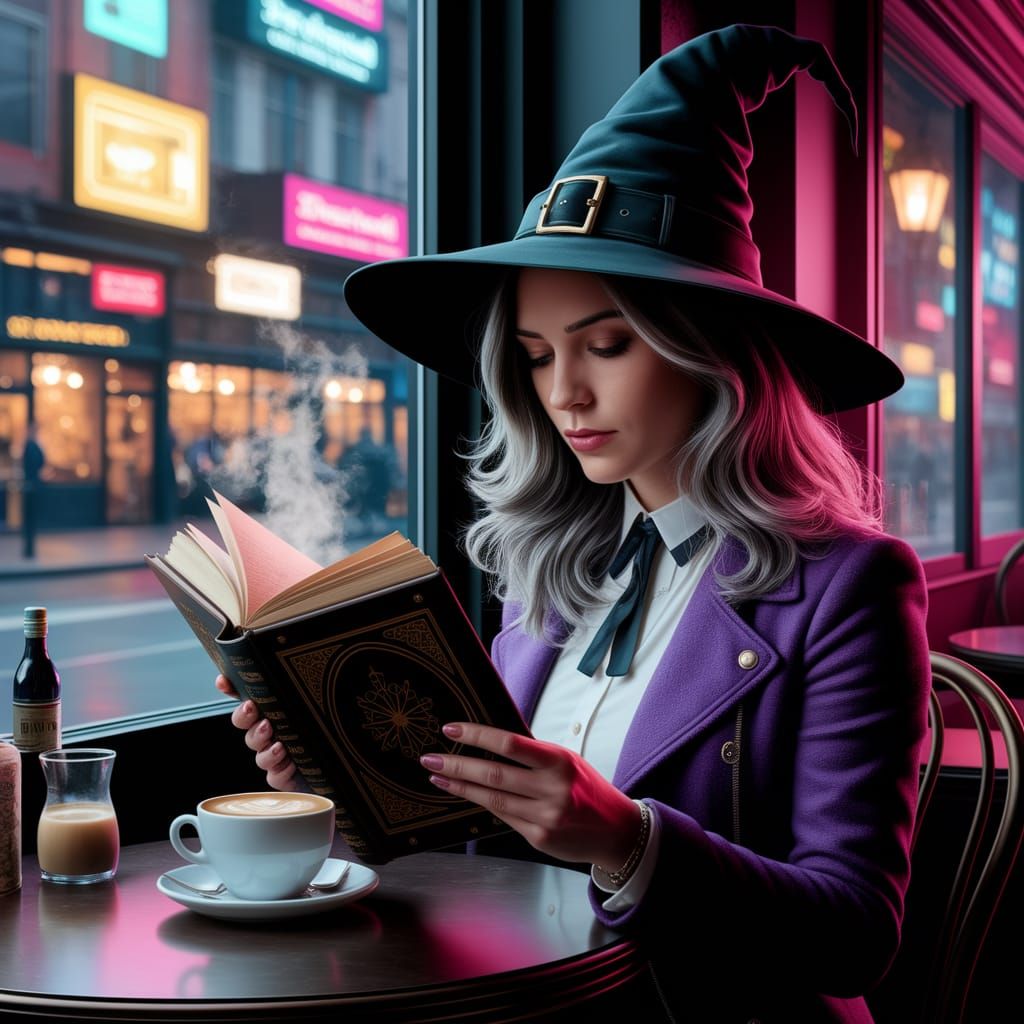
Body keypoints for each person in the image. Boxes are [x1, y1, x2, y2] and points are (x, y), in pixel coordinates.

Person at [216, 25, 930, 1022]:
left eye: (605, 344)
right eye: (539, 354)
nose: (567, 394)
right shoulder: (551, 572)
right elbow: (479, 857)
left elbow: (854, 933)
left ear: (712, 351)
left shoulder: (850, 582)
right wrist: (339, 782)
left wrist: (626, 839)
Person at [20, 422, 45, 559]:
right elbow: (40, 461)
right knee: (30, 518)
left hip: (32, 485)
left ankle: (29, 549)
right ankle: (29, 549)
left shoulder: (31, 445)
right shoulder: (31, 446)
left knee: (31, 518)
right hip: (32, 486)